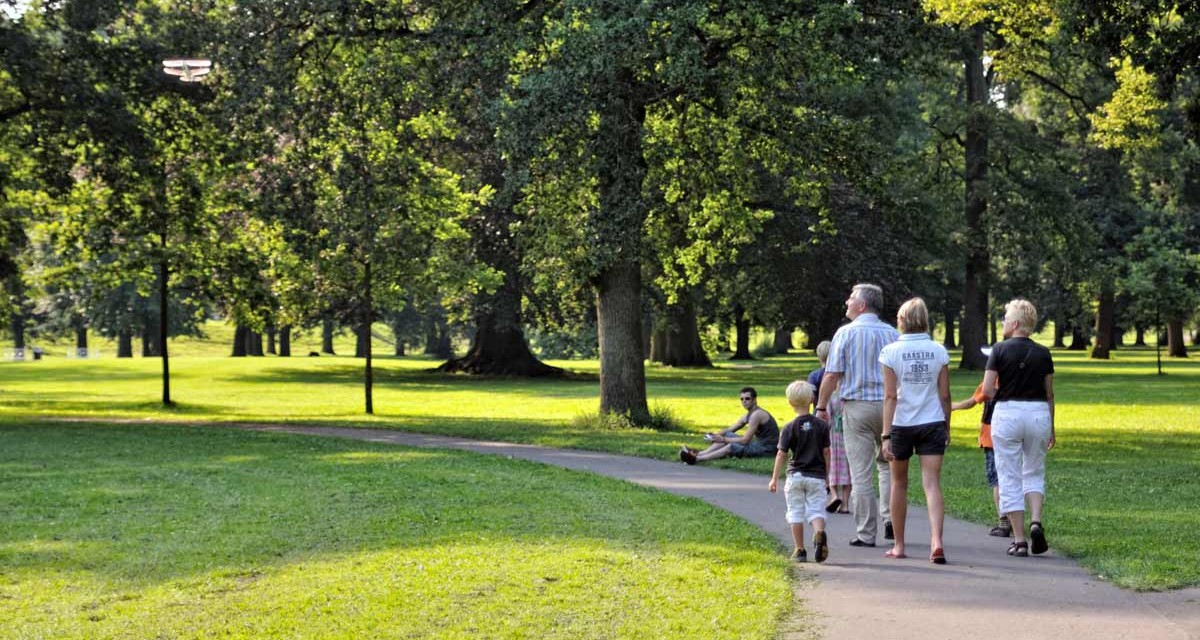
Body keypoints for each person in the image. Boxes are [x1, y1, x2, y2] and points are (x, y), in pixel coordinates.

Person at [815, 283, 899, 547]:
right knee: (887, 467)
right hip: (890, 407)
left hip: (857, 408)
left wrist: (821, 406)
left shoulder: (846, 333)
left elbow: (832, 374)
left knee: (861, 473)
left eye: (851, 299)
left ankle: (865, 533)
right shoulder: (892, 333)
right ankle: (890, 519)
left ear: (862, 305)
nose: (846, 303)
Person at [879, 297, 951, 564]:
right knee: (932, 484)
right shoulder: (938, 350)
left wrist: (885, 435)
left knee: (899, 483)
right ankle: (937, 541)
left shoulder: (890, 352)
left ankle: (899, 545)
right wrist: (947, 425)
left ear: (901, 320)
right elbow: (945, 395)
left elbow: (890, 396)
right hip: (932, 422)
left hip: (901, 424)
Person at [982, 299, 1056, 557]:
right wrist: (1052, 427)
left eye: (1004, 319)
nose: (1003, 323)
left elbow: (988, 389)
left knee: (1009, 476)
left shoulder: (999, 350)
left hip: (1008, 414)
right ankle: (1036, 521)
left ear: (1014, 324)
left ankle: (1020, 539)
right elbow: (1049, 394)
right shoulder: (1043, 353)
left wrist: (1008, 390)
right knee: (1034, 471)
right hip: (1038, 414)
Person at [769, 380, 832, 563]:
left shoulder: (789, 427)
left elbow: (781, 454)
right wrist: (827, 476)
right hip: (817, 476)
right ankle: (819, 533)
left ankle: (800, 550)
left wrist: (774, 479)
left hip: (795, 475)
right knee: (816, 510)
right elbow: (826, 452)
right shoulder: (822, 426)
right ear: (812, 399)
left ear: (790, 402)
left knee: (795, 512)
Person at [952, 371, 1011, 537]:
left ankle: (1003, 521)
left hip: (991, 436)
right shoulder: (1020, 381)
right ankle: (1015, 518)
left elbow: (971, 402)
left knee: (997, 480)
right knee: (1012, 477)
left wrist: (951, 406)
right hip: (1014, 435)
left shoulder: (992, 381)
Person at [681, 387, 780, 464]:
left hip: (767, 450)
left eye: (747, 398)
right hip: (759, 445)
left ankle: (697, 458)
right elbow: (730, 429)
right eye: (741, 399)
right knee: (727, 435)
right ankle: (699, 453)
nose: (744, 401)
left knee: (732, 446)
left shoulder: (757, 415)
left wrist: (723, 440)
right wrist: (715, 435)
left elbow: (746, 440)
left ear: (754, 400)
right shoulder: (748, 415)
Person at [809, 340, 850, 513]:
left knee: (829, 462)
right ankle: (846, 505)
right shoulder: (842, 375)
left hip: (826, 427)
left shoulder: (816, 375)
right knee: (848, 466)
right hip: (848, 431)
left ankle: (834, 494)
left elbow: (811, 397)